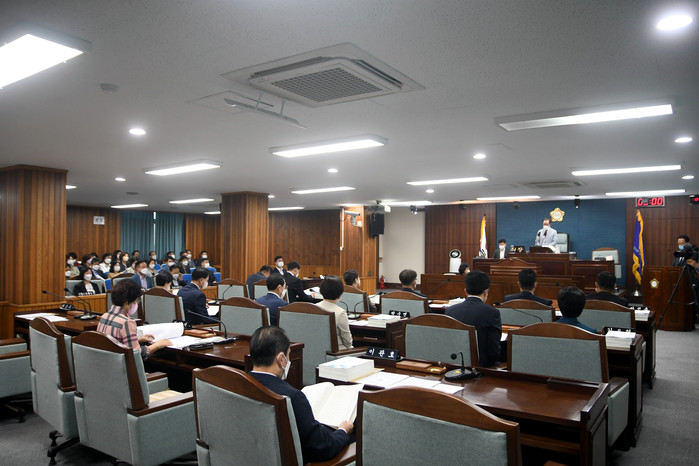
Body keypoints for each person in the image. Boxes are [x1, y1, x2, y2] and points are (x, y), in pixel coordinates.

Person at [248, 326, 353, 463]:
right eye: (289, 355)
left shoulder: (237, 385)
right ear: (281, 359)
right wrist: (343, 431)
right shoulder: (293, 398)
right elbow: (324, 448)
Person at [97, 280, 171, 358]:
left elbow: (116, 344)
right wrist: (157, 345)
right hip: (124, 365)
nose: (136, 304)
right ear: (126, 302)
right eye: (136, 301)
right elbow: (136, 354)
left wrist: (138, 340)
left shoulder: (104, 316)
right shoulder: (127, 322)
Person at [446, 271, 502, 367]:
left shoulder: (450, 311)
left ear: (465, 291)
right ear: (486, 292)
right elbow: (493, 352)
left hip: (454, 363)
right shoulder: (492, 312)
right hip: (482, 367)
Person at [315, 276, 353, 350]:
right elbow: (348, 342)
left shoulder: (313, 308)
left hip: (317, 350)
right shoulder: (340, 313)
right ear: (340, 293)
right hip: (338, 352)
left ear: (321, 291)